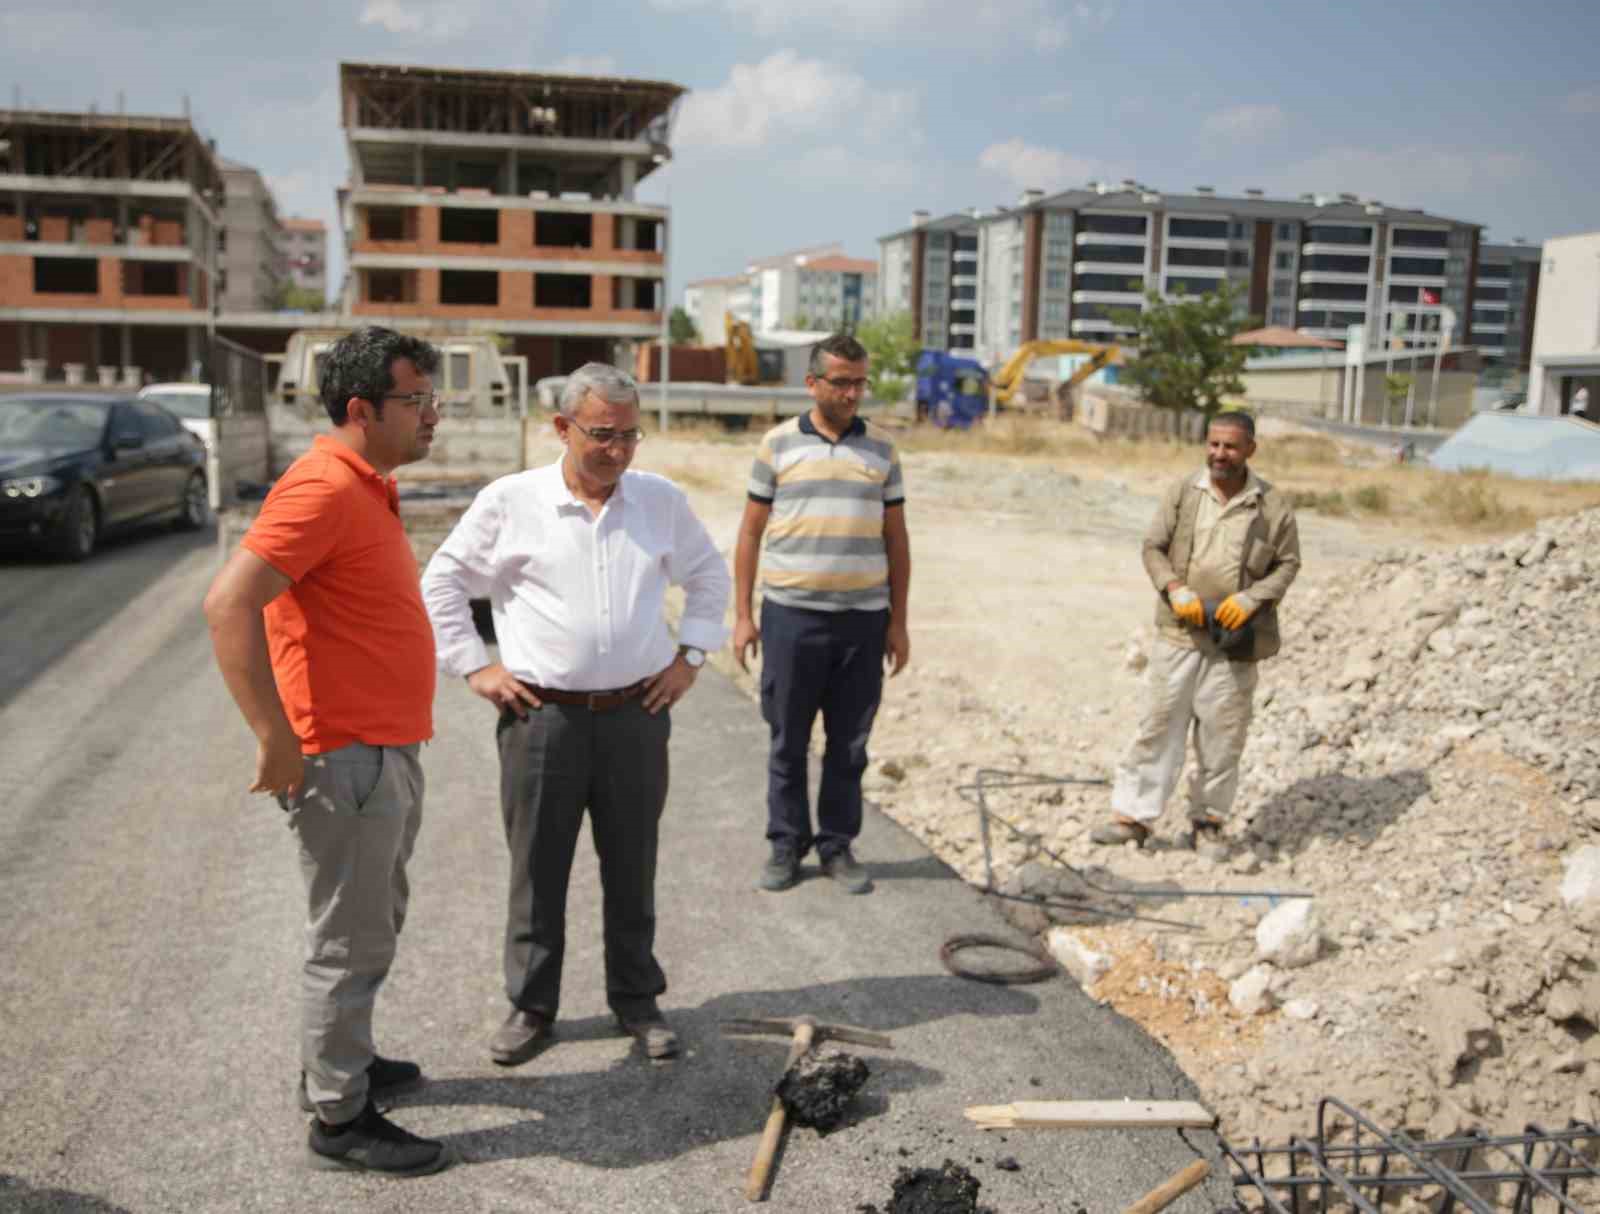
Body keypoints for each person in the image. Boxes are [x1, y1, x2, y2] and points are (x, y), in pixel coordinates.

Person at [421, 362, 729, 1066]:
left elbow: (709, 576)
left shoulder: (659, 502)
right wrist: (475, 664)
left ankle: (637, 999)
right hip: (542, 720)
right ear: (560, 428)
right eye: (600, 435)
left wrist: (691, 659)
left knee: (633, 862)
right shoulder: (511, 500)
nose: (617, 451)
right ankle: (533, 1006)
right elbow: (441, 581)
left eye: (629, 436)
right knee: (539, 866)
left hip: (635, 717)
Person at [202, 327, 450, 1177]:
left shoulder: (363, 486)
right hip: (343, 758)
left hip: (382, 751)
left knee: (371, 923)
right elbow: (228, 604)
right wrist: (274, 737)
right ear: (360, 409)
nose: (433, 415)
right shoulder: (319, 489)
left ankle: (342, 1059)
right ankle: (339, 1116)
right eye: (415, 400)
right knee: (346, 939)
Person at [734, 333, 911, 895]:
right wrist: (742, 614)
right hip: (791, 617)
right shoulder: (778, 446)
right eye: (841, 382)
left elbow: (897, 540)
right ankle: (787, 845)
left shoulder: (882, 450)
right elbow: (750, 532)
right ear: (812, 383)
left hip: (862, 621)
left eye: (860, 382)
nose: (852, 393)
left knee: (849, 745)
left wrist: (898, 621)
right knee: (787, 739)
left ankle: (837, 845)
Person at [1092, 411, 1300, 849]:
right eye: (1213, 444)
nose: (1219, 454)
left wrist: (1251, 600)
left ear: (1250, 450)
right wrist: (1172, 587)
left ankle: (1208, 822)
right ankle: (1133, 817)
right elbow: (1153, 547)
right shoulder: (1184, 493)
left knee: (1222, 737)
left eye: (1230, 446)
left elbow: (1288, 564)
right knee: (1159, 725)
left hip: (1234, 643)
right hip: (1179, 634)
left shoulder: (1272, 505)